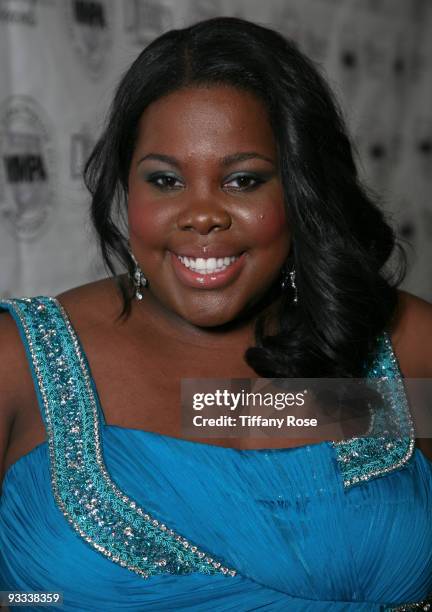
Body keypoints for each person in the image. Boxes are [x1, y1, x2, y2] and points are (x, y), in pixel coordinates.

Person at [0, 16, 431, 611]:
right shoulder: (16, 361)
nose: (202, 215)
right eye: (166, 179)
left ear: (302, 187)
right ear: (128, 188)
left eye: (243, 180)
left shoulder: (406, 345)